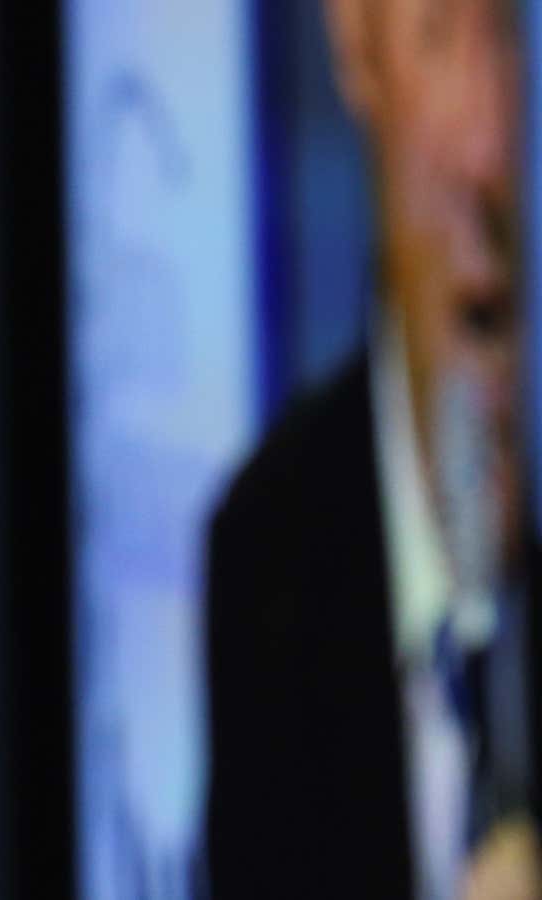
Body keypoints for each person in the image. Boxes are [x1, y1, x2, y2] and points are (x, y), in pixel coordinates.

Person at [205, 2, 539, 898]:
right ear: (357, 53)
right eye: (438, 40)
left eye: (507, 38)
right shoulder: (267, 543)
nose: (489, 132)